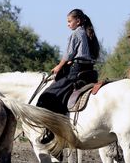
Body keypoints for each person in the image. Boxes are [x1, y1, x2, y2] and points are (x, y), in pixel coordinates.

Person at [37, 9, 100, 143]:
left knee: (47, 96)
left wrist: (59, 67)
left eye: (69, 21)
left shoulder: (76, 34)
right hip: (89, 72)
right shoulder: (89, 34)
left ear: (78, 21)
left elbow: (68, 55)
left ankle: (53, 130)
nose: (68, 24)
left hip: (76, 71)